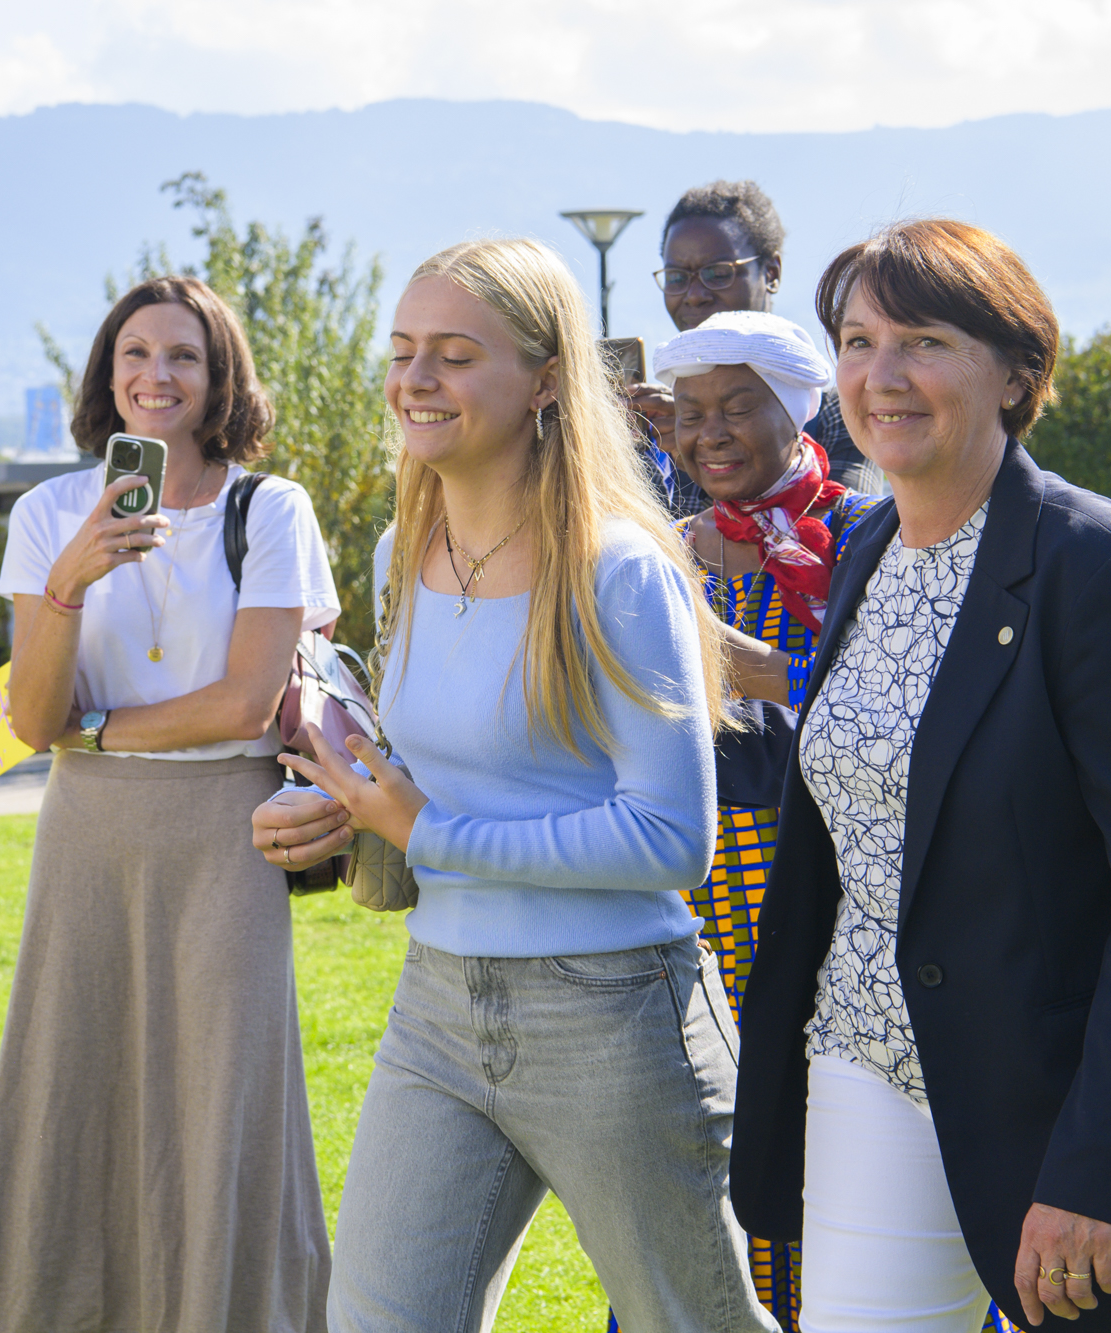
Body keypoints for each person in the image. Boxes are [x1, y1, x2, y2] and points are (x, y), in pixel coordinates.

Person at [730, 220, 1111, 1333]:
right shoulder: (865, 549)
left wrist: (1096, 1174)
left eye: (922, 339)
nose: (880, 375)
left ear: (1015, 372)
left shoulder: (1099, 569)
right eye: (857, 340)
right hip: (864, 1056)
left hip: (1072, 1093)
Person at [251, 238, 774, 1333]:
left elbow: (672, 839)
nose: (415, 381)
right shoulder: (406, 544)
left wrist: (430, 830)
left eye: (451, 354)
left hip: (615, 1017)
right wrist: (351, 810)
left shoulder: (618, 569)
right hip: (440, 1003)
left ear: (545, 380)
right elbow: (435, 771)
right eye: (402, 353)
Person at [0, 275, 339, 1332]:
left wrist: (107, 727)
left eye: (181, 356)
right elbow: (33, 719)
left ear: (219, 378)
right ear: (104, 374)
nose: (153, 376)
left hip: (228, 827)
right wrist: (69, 581)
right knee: (72, 1077)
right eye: (133, 354)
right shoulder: (43, 516)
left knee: (224, 1089)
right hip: (87, 835)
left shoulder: (270, 508)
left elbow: (246, 699)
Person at [649, 308, 884, 1328]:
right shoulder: (665, 550)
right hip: (705, 894)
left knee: (828, 1134)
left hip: (835, 896)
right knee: (710, 1135)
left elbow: (895, 713)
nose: (709, 432)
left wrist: (766, 667)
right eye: (689, 413)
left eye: (736, 406)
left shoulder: (866, 530)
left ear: (795, 412)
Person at [628, 179, 883, 499]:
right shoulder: (658, 422)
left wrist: (711, 466)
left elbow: (845, 530)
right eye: (677, 278)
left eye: (718, 273)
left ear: (772, 273)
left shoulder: (835, 412)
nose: (694, 295)